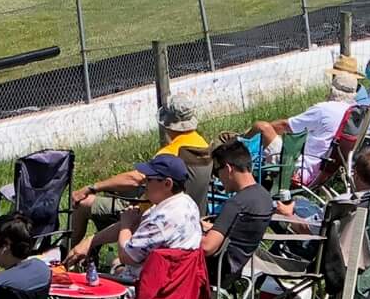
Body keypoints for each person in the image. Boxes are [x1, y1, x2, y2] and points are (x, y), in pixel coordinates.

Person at [67, 100, 209, 243]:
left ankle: (68, 251)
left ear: (167, 124)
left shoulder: (170, 153)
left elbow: (135, 178)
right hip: (191, 214)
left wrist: (92, 187)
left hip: (146, 215)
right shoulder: (203, 145)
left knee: (83, 204)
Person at [66, 154, 202, 283]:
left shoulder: (160, 221)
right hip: (174, 284)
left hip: (142, 288)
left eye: (149, 180)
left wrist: (125, 225)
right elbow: (137, 223)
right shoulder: (187, 204)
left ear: (167, 184)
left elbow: (126, 256)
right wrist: (91, 241)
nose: (144, 184)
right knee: (115, 265)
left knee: (76, 282)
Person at [254, 68, 363, 185]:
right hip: (326, 171)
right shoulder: (355, 113)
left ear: (332, 90)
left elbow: (286, 126)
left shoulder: (324, 109)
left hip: (303, 170)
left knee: (263, 127)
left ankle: (241, 145)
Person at [201, 138, 280, 283]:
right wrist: (212, 227)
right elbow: (239, 233)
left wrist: (187, 236)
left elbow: (207, 247)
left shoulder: (236, 203)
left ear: (228, 169)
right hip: (236, 269)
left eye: (217, 172)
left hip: (215, 271)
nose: (217, 178)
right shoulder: (264, 197)